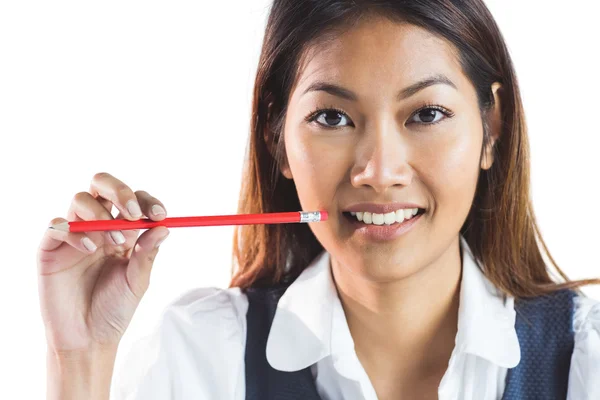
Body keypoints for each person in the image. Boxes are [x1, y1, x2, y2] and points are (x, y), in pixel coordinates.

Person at [38, 0, 600, 399]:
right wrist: (80, 360)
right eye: (332, 117)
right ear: (276, 140)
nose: (379, 172)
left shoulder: (586, 361)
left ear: (492, 128)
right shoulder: (201, 358)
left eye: (426, 114)